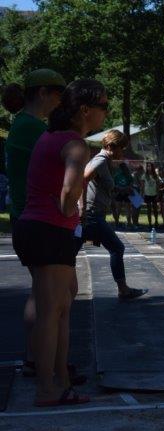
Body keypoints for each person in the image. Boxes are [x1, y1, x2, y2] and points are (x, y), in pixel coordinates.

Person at [11, 79, 108, 406]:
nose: (105, 113)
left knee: (61, 307)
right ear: (85, 110)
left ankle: (60, 381)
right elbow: (69, 190)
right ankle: (46, 389)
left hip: (36, 228)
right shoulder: (77, 145)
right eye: (103, 106)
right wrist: (68, 209)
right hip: (49, 230)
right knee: (52, 312)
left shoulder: (49, 136)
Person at [3, 69, 67, 381]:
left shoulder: (25, 125)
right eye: (58, 95)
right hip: (36, 216)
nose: (60, 102)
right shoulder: (31, 128)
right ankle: (47, 365)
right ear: (42, 93)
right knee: (53, 295)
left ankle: (35, 358)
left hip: (24, 214)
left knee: (41, 291)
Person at [83, 130, 147, 300]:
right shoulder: (100, 160)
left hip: (94, 214)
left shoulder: (105, 162)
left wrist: (120, 189)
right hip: (91, 215)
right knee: (117, 248)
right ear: (111, 146)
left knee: (69, 252)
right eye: (121, 148)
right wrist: (81, 209)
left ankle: (55, 289)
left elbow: (100, 185)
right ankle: (123, 290)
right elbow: (82, 180)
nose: (122, 152)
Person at [111, 161, 133, 229]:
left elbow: (130, 185)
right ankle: (118, 223)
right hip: (120, 193)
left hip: (125, 193)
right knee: (121, 209)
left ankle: (127, 223)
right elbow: (114, 185)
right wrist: (122, 189)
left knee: (125, 209)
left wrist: (122, 189)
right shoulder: (117, 175)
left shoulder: (129, 176)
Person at [142, 163, 159, 227]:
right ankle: (149, 223)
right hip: (147, 194)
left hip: (154, 194)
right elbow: (142, 186)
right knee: (149, 209)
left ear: (152, 167)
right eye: (148, 166)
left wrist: (157, 194)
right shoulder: (144, 175)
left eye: (150, 166)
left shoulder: (155, 176)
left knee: (155, 209)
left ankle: (156, 221)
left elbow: (157, 185)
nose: (149, 167)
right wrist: (143, 194)